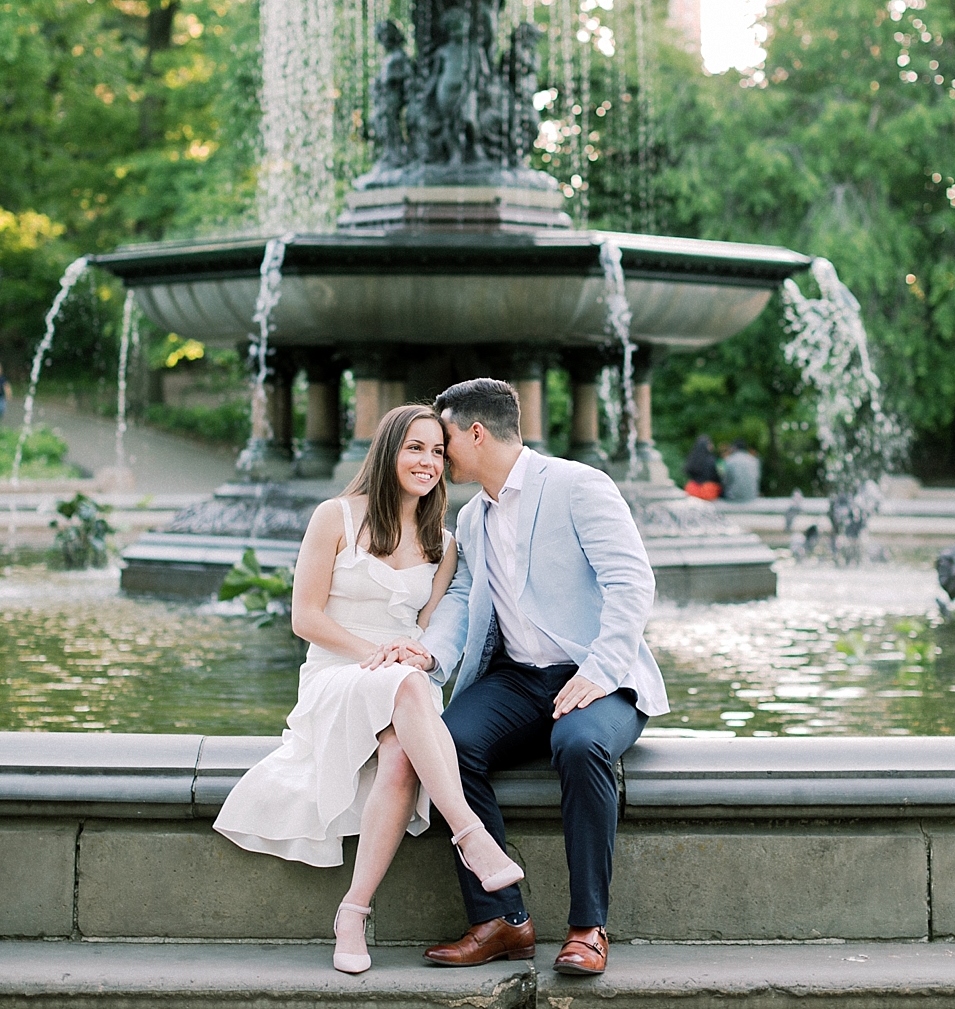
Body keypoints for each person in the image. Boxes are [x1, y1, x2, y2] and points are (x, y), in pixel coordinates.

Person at [372, 377, 668, 978]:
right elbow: (461, 598)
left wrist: (602, 669)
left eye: (444, 441)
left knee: (580, 744)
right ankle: (503, 921)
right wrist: (429, 655)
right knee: (446, 744)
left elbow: (631, 582)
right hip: (517, 679)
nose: (437, 455)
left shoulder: (578, 485)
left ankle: (588, 929)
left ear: (475, 433)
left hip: (599, 675)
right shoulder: (474, 518)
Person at [213, 404, 523, 976]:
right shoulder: (335, 517)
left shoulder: (443, 542)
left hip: (403, 679)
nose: (428, 462)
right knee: (400, 681)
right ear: (388, 451)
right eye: (414, 448)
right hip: (338, 668)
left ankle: (352, 912)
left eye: (436, 451)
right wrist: (372, 656)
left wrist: (408, 659)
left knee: (402, 748)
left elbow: (431, 631)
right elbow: (304, 617)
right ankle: (471, 835)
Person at [721, 438, 761, 503]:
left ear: (734, 448)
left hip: (733, 497)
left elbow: (726, 481)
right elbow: (757, 478)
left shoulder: (729, 460)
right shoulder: (754, 460)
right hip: (751, 496)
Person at [683, 433, 722, 499]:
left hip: (692, 489)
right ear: (707, 445)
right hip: (707, 491)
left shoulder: (693, 458)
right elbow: (716, 477)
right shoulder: (712, 459)